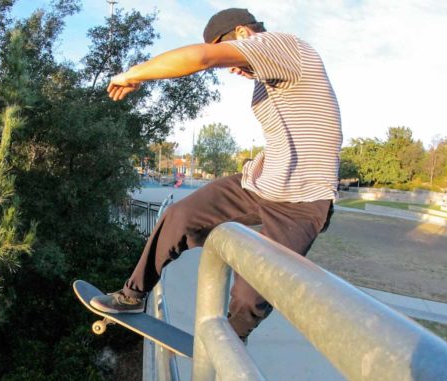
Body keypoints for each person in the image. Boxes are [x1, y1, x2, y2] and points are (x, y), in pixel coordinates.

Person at [91, 8, 342, 341]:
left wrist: (137, 73)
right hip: (259, 183)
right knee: (179, 215)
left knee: (250, 295)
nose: (234, 70)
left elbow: (204, 58)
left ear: (241, 34)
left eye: (234, 62)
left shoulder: (281, 46)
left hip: (303, 199)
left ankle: (229, 344)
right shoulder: (264, 79)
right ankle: (132, 295)